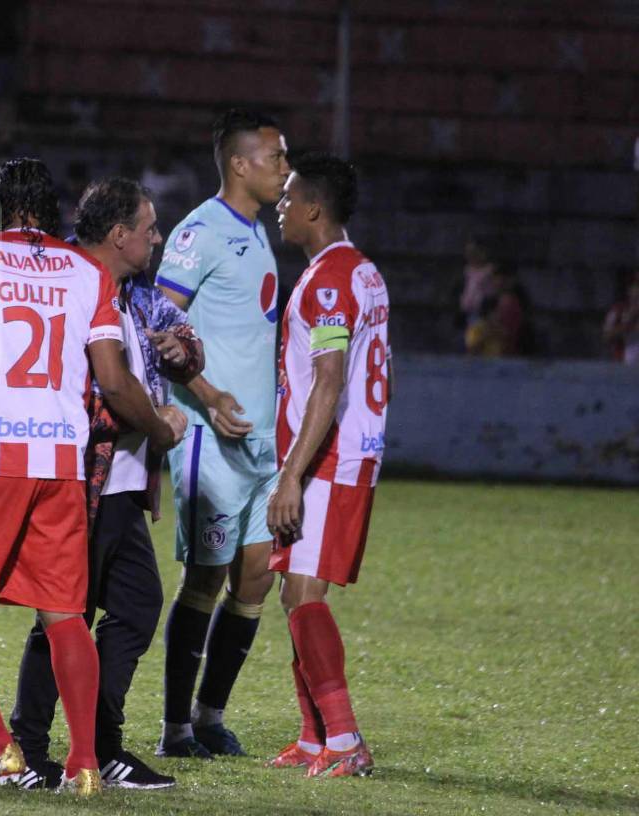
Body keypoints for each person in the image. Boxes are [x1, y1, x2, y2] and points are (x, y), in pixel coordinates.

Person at [0, 158, 183, 796]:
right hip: (63, 460)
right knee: (63, 612)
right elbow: (111, 378)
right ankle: (84, 764)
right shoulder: (85, 271)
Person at [7, 178, 201, 790]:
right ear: (119, 236)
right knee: (65, 614)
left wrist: (181, 350)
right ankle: (28, 747)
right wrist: (159, 423)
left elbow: (186, 340)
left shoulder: (135, 292)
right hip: (74, 483)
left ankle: (100, 742)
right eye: (149, 228)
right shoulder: (64, 282)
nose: (158, 237)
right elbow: (87, 393)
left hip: (119, 486)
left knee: (135, 606)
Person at [153, 109, 290, 759]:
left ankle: (211, 716)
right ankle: (176, 727)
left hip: (262, 443)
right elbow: (156, 327)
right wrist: (206, 393)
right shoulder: (199, 232)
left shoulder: (261, 232)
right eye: (276, 158)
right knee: (206, 579)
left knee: (256, 579)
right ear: (240, 164)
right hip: (210, 436)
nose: (285, 169)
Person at [266, 152, 388, 778]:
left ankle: (344, 740)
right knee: (294, 593)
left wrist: (291, 473)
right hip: (341, 455)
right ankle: (314, 737)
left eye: (287, 198)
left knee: (305, 594)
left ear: (313, 208)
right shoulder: (360, 271)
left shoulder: (331, 281)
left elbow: (329, 380)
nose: (279, 207)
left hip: (330, 460)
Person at [603, 269, 639, 364]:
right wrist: (628, 325)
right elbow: (606, 336)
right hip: (625, 364)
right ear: (629, 290)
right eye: (636, 286)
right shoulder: (618, 310)